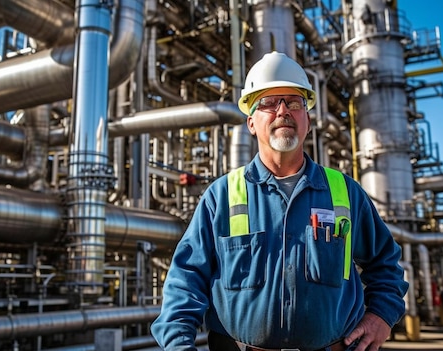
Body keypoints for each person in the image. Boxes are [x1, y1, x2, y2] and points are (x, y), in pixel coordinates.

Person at [150, 51, 409, 351]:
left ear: (307, 120)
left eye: (294, 102)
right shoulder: (221, 197)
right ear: (251, 123)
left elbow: (386, 264)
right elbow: (185, 281)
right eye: (269, 103)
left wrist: (381, 317)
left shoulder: (345, 193)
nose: (283, 111)